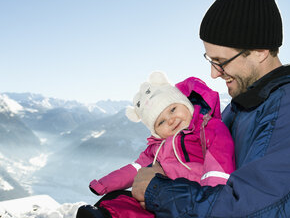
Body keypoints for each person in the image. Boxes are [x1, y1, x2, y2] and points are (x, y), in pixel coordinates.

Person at [131, 0, 290, 217]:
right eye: (210, 60)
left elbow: (261, 210)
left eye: (221, 61)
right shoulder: (242, 107)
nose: (213, 74)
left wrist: (159, 192)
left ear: (259, 50)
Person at [76, 71, 236, 218]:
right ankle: (105, 215)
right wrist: (104, 184)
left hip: (193, 195)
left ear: (185, 103)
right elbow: (135, 169)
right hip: (158, 196)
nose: (171, 120)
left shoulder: (207, 129)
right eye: (161, 122)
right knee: (125, 200)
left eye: (173, 109)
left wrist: (210, 198)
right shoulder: (157, 147)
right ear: (156, 131)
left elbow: (219, 164)